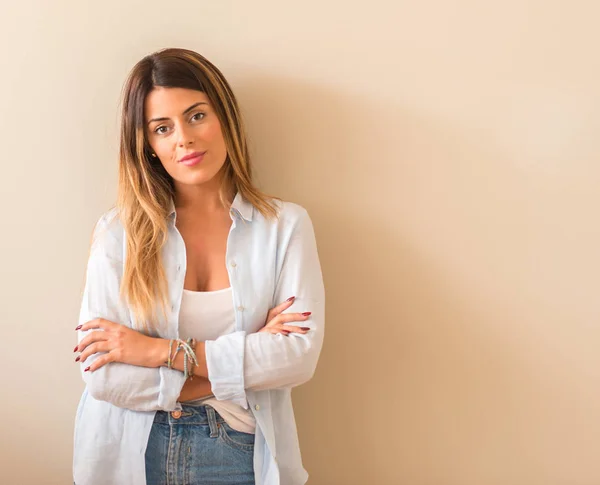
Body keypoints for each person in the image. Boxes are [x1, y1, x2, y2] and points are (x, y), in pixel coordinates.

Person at [72, 47, 325, 485]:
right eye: (162, 128)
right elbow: (103, 376)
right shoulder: (119, 234)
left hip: (239, 449)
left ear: (224, 116)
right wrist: (236, 368)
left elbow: (295, 358)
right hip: (129, 452)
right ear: (148, 146)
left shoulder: (284, 227)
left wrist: (157, 352)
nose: (183, 140)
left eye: (196, 116)